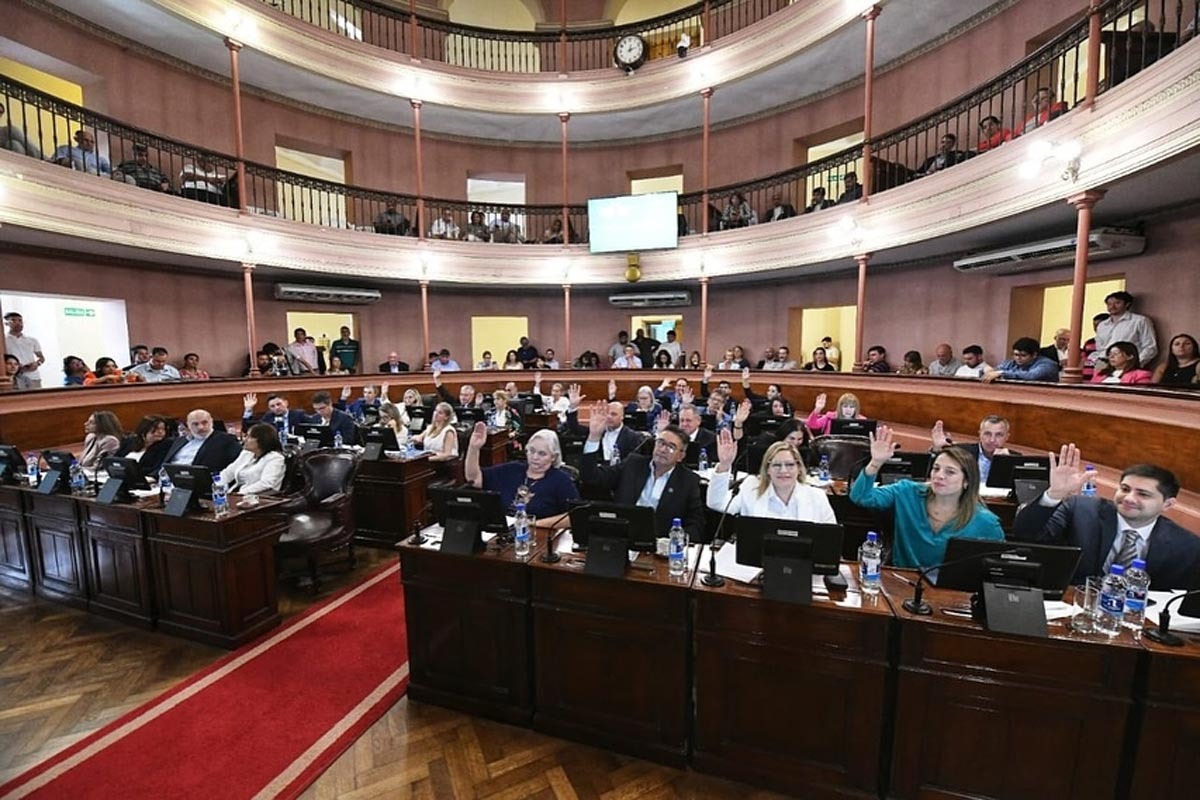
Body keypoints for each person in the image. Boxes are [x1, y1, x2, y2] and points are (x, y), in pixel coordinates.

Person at [1012, 445, 1200, 588]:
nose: (1129, 498)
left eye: (1143, 494)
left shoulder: (1187, 546)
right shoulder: (1081, 510)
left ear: (1168, 504)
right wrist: (1054, 494)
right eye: (1125, 489)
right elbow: (1026, 534)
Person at [850, 425, 1004, 569]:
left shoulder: (986, 523)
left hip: (951, 588)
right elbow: (861, 497)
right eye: (936, 469)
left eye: (950, 472)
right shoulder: (906, 491)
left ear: (967, 481)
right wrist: (876, 463)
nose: (939, 476)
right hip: (900, 580)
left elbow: (997, 566)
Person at [579, 402, 705, 541]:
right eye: (661, 443)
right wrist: (594, 437)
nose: (663, 449)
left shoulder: (688, 480)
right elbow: (592, 477)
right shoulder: (633, 464)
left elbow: (696, 524)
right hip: (622, 538)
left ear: (680, 456)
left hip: (661, 544)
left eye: (671, 447)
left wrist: (676, 540)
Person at [707, 431, 836, 522]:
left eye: (790, 465)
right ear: (767, 469)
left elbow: (831, 539)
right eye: (776, 465)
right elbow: (717, 503)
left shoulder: (817, 497)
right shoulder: (751, 489)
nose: (783, 470)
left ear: (799, 468)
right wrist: (724, 465)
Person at [464, 424, 578, 521]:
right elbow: (474, 479)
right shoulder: (511, 469)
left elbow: (574, 516)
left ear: (553, 457)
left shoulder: (561, 481)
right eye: (531, 451)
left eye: (542, 454)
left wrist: (535, 524)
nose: (535, 457)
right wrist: (474, 448)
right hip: (505, 534)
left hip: (539, 534)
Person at [565, 386, 645, 462]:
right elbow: (574, 428)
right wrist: (573, 407)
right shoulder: (596, 431)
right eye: (607, 413)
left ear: (622, 417)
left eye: (614, 414)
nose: (609, 417)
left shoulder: (633, 437)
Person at [930, 415, 1014, 484]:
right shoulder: (961, 451)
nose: (992, 440)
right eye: (987, 434)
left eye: (999, 435)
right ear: (980, 434)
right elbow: (932, 469)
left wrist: (1006, 462)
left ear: (1007, 437)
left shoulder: (1014, 458)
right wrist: (937, 449)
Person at [1094, 291, 1157, 367]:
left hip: (1127, 365)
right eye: (1109, 304)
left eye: (1117, 303)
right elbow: (1099, 348)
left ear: (1127, 304)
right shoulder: (1102, 325)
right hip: (1103, 364)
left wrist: (1136, 363)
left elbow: (1150, 347)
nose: (1112, 306)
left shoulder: (1139, 321)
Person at [219, 423, 286, 495]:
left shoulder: (275, 458)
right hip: (237, 494)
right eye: (246, 436)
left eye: (249, 437)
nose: (245, 439)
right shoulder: (246, 454)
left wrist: (241, 493)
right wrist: (218, 485)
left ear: (262, 440)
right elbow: (229, 472)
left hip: (259, 497)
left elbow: (267, 483)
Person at [164, 409, 241, 472]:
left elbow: (238, 463)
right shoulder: (180, 441)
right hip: (169, 479)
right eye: (195, 424)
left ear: (211, 422)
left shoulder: (226, 440)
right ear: (188, 425)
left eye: (204, 423)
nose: (201, 427)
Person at [982, 337, 1060, 383]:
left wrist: (1001, 373)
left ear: (1034, 355)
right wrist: (988, 370)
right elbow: (995, 371)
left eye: (1023, 355)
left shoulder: (1047, 365)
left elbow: (1031, 376)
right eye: (1016, 355)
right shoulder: (1011, 363)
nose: (1018, 358)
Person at [4, 311, 45, 389]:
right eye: (13, 320)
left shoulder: (32, 340)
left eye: (20, 320)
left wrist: (37, 364)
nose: (18, 323)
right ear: (6, 323)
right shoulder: (3, 341)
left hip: (33, 377)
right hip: (13, 378)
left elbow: (41, 358)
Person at [242, 392, 309, 434]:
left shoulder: (298, 415)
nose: (276, 408)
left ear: (286, 403)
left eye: (278, 404)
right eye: (272, 406)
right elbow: (247, 428)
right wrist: (248, 409)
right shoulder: (268, 418)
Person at [677, 403, 718, 468]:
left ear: (698, 421)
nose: (684, 424)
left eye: (688, 421)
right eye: (682, 420)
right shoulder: (675, 437)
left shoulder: (711, 439)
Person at [1081, 312, 1108, 381]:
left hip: (1101, 378)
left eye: (1099, 325)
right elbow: (1083, 359)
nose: (1096, 328)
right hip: (1085, 378)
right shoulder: (1089, 342)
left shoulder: (1111, 341)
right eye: (1094, 325)